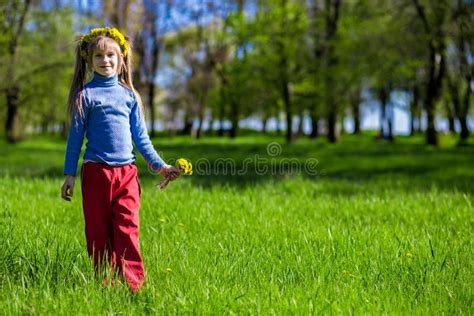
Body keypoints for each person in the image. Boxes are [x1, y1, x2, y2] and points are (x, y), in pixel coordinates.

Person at [60, 27, 180, 291]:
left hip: (126, 174)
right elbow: (74, 141)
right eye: (99, 56)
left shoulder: (130, 96)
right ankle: (104, 284)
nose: (106, 61)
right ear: (89, 61)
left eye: (111, 55)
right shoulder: (85, 96)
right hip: (96, 175)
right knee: (98, 232)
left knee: (127, 229)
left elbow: (142, 139)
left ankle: (134, 286)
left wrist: (161, 166)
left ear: (122, 58)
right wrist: (69, 174)